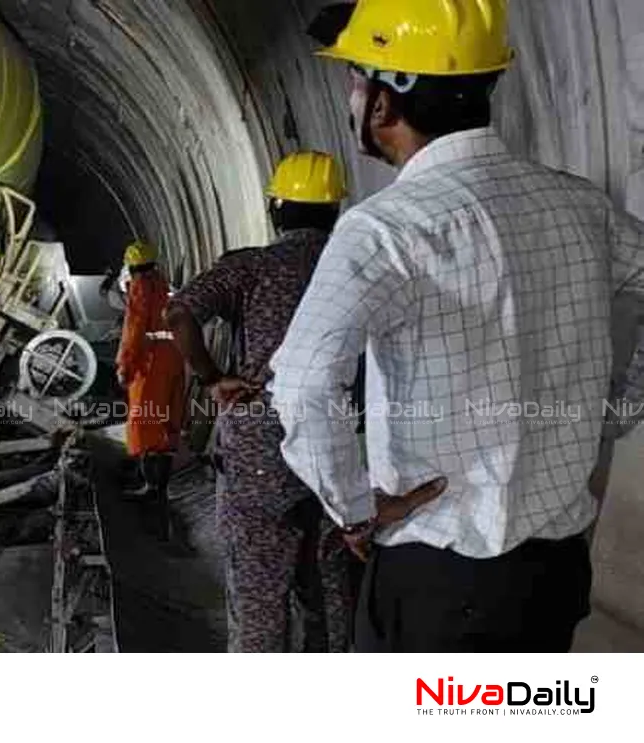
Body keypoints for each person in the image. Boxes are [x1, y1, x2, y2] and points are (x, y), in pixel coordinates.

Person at [271, 0, 644, 652]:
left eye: (357, 80)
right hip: (553, 572)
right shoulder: (581, 206)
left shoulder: (385, 231)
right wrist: (621, 402)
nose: (352, 100)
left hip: (439, 580)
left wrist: (354, 506)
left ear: (387, 103)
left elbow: (301, 384)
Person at [166, 151, 361, 652]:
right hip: (339, 447)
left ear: (276, 210)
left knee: (258, 596)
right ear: (335, 210)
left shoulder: (252, 268)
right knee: (332, 592)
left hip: (260, 452)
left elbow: (181, 312)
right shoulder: (357, 266)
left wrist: (213, 378)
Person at [116, 240, 186, 541]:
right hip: (173, 354)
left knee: (144, 421)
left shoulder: (140, 288)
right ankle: (160, 483)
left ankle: (150, 485)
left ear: (131, 266)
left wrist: (125, 365)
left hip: (151, 359)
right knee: (168, 420)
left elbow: (133, 330)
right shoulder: (163, 283)